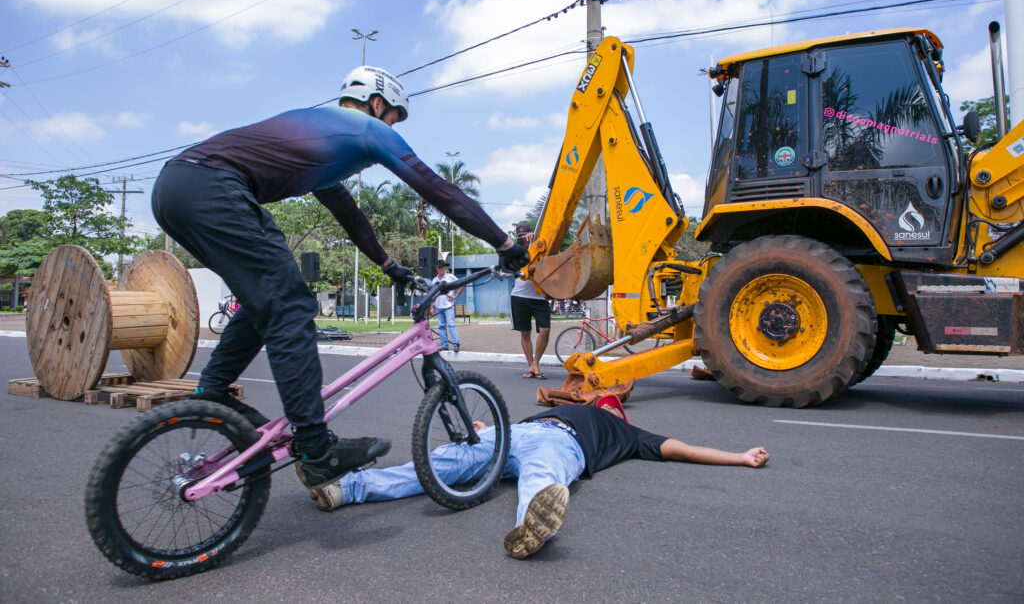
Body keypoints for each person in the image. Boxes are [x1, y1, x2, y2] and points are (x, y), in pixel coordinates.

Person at [151, 65, 530, 490]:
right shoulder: (367, 130)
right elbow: (440, 191)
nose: (392, 128)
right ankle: (316, 448)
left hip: (172, 189)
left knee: (265, 301)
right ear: (377, 104)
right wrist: (504, 244)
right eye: (394, 118)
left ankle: (213, 393)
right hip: (212, 187)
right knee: (293, 306)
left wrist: (389, 266)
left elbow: (351, 217)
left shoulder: (322, 139)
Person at [306, 395, 770, 559]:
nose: (603, 400)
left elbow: (681, 449)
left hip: (557, 443)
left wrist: (738, 456)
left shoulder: (625, 432)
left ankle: (532, 526)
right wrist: (485, 431)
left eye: (608, 401)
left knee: (544, 476)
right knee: (438, 464)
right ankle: (344, 488)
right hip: (517, 434)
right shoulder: (562, 406)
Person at [509, 221, 550, 379]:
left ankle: (535, 363)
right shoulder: (517, 251)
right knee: (525, 333)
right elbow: (513, 265)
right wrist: (522, 244)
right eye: (520, 236)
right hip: (519, 296)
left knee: (545, 330)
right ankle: (532, 366)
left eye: (525, 235)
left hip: (539, 297)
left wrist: (536, 239)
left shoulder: (540, 248)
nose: (523, 238)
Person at [431, 260, 462, 352]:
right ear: (436, 268)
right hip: (438, 306)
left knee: (451, 324)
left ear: (445, 268)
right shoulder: (435, 280)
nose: (440, 269)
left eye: (442, 267)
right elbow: (432, 294)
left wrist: (455, 295)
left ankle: (456, 344)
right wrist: (431, 307)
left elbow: (462, 284)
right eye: (438, 267)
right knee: (441, 326)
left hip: (448, 306)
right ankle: (444, 345)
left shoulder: (450, 277)